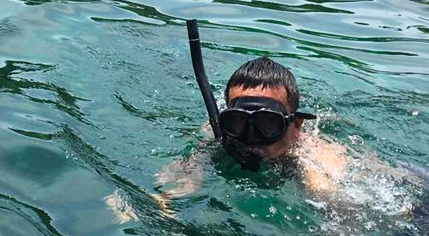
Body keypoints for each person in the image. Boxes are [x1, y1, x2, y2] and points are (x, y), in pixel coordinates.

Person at [106, 57, 350, 222]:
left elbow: (339, 207)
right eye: (239, 122)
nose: (252, 138)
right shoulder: (221, 137)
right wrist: (148, 201)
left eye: (267, 124)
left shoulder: (316, 158)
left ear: (295, 124)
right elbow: (181, 176)